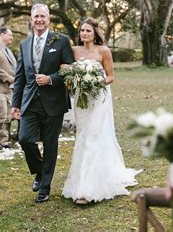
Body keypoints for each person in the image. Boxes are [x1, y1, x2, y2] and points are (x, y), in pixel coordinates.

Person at [62, 18, 141, 205]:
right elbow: (66, 70)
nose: (84, 34)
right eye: (82, 31)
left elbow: (111, 76)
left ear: (95, 33)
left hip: (99, 98)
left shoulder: (103, 51)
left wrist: (95, 82)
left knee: (93, 137)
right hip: (81, 100)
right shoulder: (74, 51)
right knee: (83, 136)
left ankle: (86, 190)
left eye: (88, 31)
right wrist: (76, 80)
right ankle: (82, 179)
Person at [11, 4, 75, 203]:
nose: (39, 20)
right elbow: (20, 76)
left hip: (53, 102)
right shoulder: (25, 44)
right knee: (25, 139)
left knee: (50, 144)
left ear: (48, 19)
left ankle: (44, 188)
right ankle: (39, 171)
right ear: (31, 19)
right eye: (36, 16)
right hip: (30, 101)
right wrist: (15, 104)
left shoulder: (62, 40)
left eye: (42, 16)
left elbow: (69, 69)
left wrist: (51, 79)